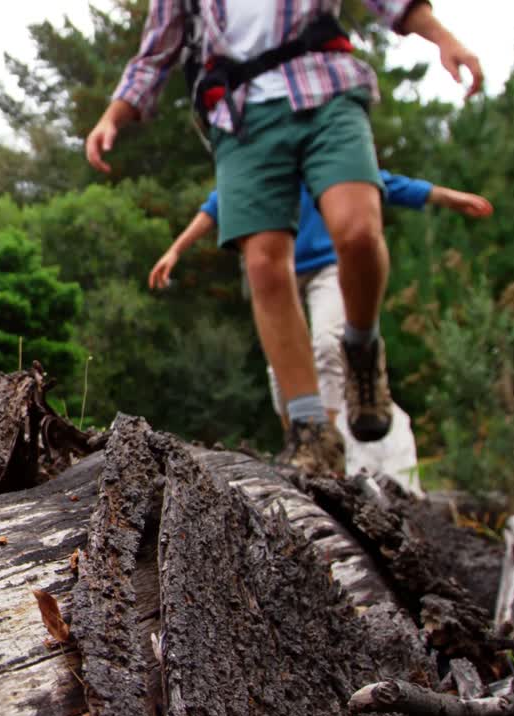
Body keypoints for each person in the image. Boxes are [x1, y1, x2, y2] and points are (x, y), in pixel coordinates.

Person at [85, 0, 483, 475]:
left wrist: (443, 37)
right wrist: (113, 115)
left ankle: (362, 348)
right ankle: (310, 429)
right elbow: (155, 51)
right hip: (240, 113)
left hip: (324, 86)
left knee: (357, 232)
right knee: (263, 266)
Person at [148, 173, 493, 485]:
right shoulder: (260, 160)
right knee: (280, 368)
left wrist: (447, 196)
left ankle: (326, 453)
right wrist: (176, 250)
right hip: (279, 270)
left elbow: (385, 182)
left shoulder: (323, 153)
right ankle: (302, 446)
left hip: (329, 266)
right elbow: (215, 204)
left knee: (329, 344)